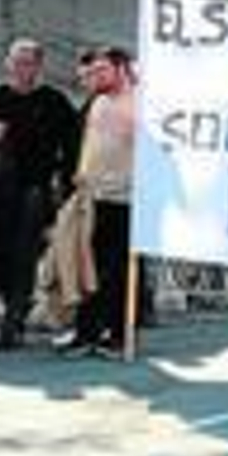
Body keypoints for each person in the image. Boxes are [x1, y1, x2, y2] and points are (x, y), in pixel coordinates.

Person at [0, 40, 79, 350]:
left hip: (35, 188)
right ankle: (11, 303)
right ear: (7, 65)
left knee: (23, 254)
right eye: (16, 62)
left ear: (38, 66)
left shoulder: (53, 100)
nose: (21, 68)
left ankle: (13, 322)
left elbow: (73, 143)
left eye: (27, 62)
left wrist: (66, 180)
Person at [64, 47, 137, 357]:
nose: (96, 77)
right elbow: (92, 146)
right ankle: (86, 333)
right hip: (93, 197)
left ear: (121, 69)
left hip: (125, 198)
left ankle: (118, 335)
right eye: (93, 72)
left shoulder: (138, 104)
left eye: (103, 70)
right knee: (88, 268)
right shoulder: (99, 103)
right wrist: (81, 175)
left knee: (117, 271)